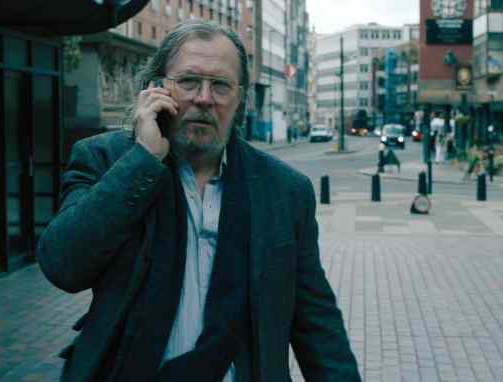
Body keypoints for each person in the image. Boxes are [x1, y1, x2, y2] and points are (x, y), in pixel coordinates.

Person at [37, 19, 360, 382]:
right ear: (155, 89)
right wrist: (143, 161)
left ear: (240, 99)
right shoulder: (106, 161)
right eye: (188, 81)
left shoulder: (285, 191)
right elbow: (63, 265)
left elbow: (316, 322)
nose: (204, 98)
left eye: (220, 85)